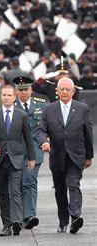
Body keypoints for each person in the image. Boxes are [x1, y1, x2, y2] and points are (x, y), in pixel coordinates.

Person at [37, 78, 93, 234]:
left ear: (73, 91)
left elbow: (88, 132)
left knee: (73, 185)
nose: (65, 92)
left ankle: (75, 217)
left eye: (68, 89)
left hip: (76, 155)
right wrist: (43, 142)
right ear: (57, 91)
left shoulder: (82, 108)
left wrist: (89, 156)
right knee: (60, 190)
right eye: (62, 89)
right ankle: (63, 221)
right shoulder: (49, 109)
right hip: (57, 155)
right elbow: (41, 130)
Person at [0, 85, 36, 237]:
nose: (6, 97)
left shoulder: (22, 115)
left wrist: (32, 158)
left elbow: (28, 137)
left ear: (14, 97)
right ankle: (6, 225)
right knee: (2, 193)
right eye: (4, 95)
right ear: (1, 97)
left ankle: (17, 222)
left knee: (15, 191)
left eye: (9, 95)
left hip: (16, 160)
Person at [13, 76, 47, 229]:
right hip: (16, 152)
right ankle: (18, 217)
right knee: (16, 184)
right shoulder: (11, 107)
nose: (23, 93)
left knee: (29, 181)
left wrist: (48, 139)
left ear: (31, 90)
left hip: (34, 151)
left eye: (26, 89)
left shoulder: (42, 105)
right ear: (16, 91)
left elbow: (48, 126)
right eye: (20, 90)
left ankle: (29, 216)